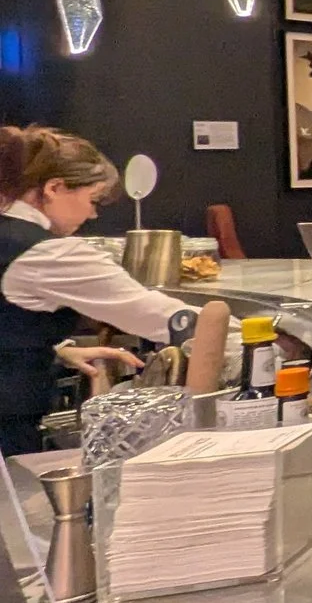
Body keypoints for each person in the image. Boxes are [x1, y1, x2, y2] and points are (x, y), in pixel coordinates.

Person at [0, 126, 186, 455]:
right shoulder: (46, 253)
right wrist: (257, 331)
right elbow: (147, 312)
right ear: (55, 188)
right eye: (92, 199)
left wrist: (56, 351)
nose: (93, 213)